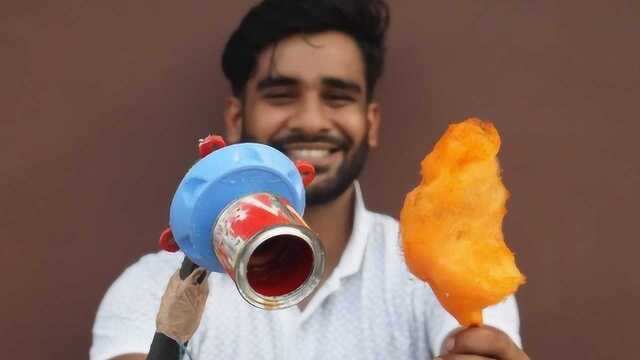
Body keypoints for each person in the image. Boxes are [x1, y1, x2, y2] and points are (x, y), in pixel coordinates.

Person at [90, 1, 530, 359]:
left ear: (371, 122)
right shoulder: (157, 288)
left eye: (338, 97)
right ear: (236, 117)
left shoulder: (429, 279)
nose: (312, 120)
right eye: (281, 95)